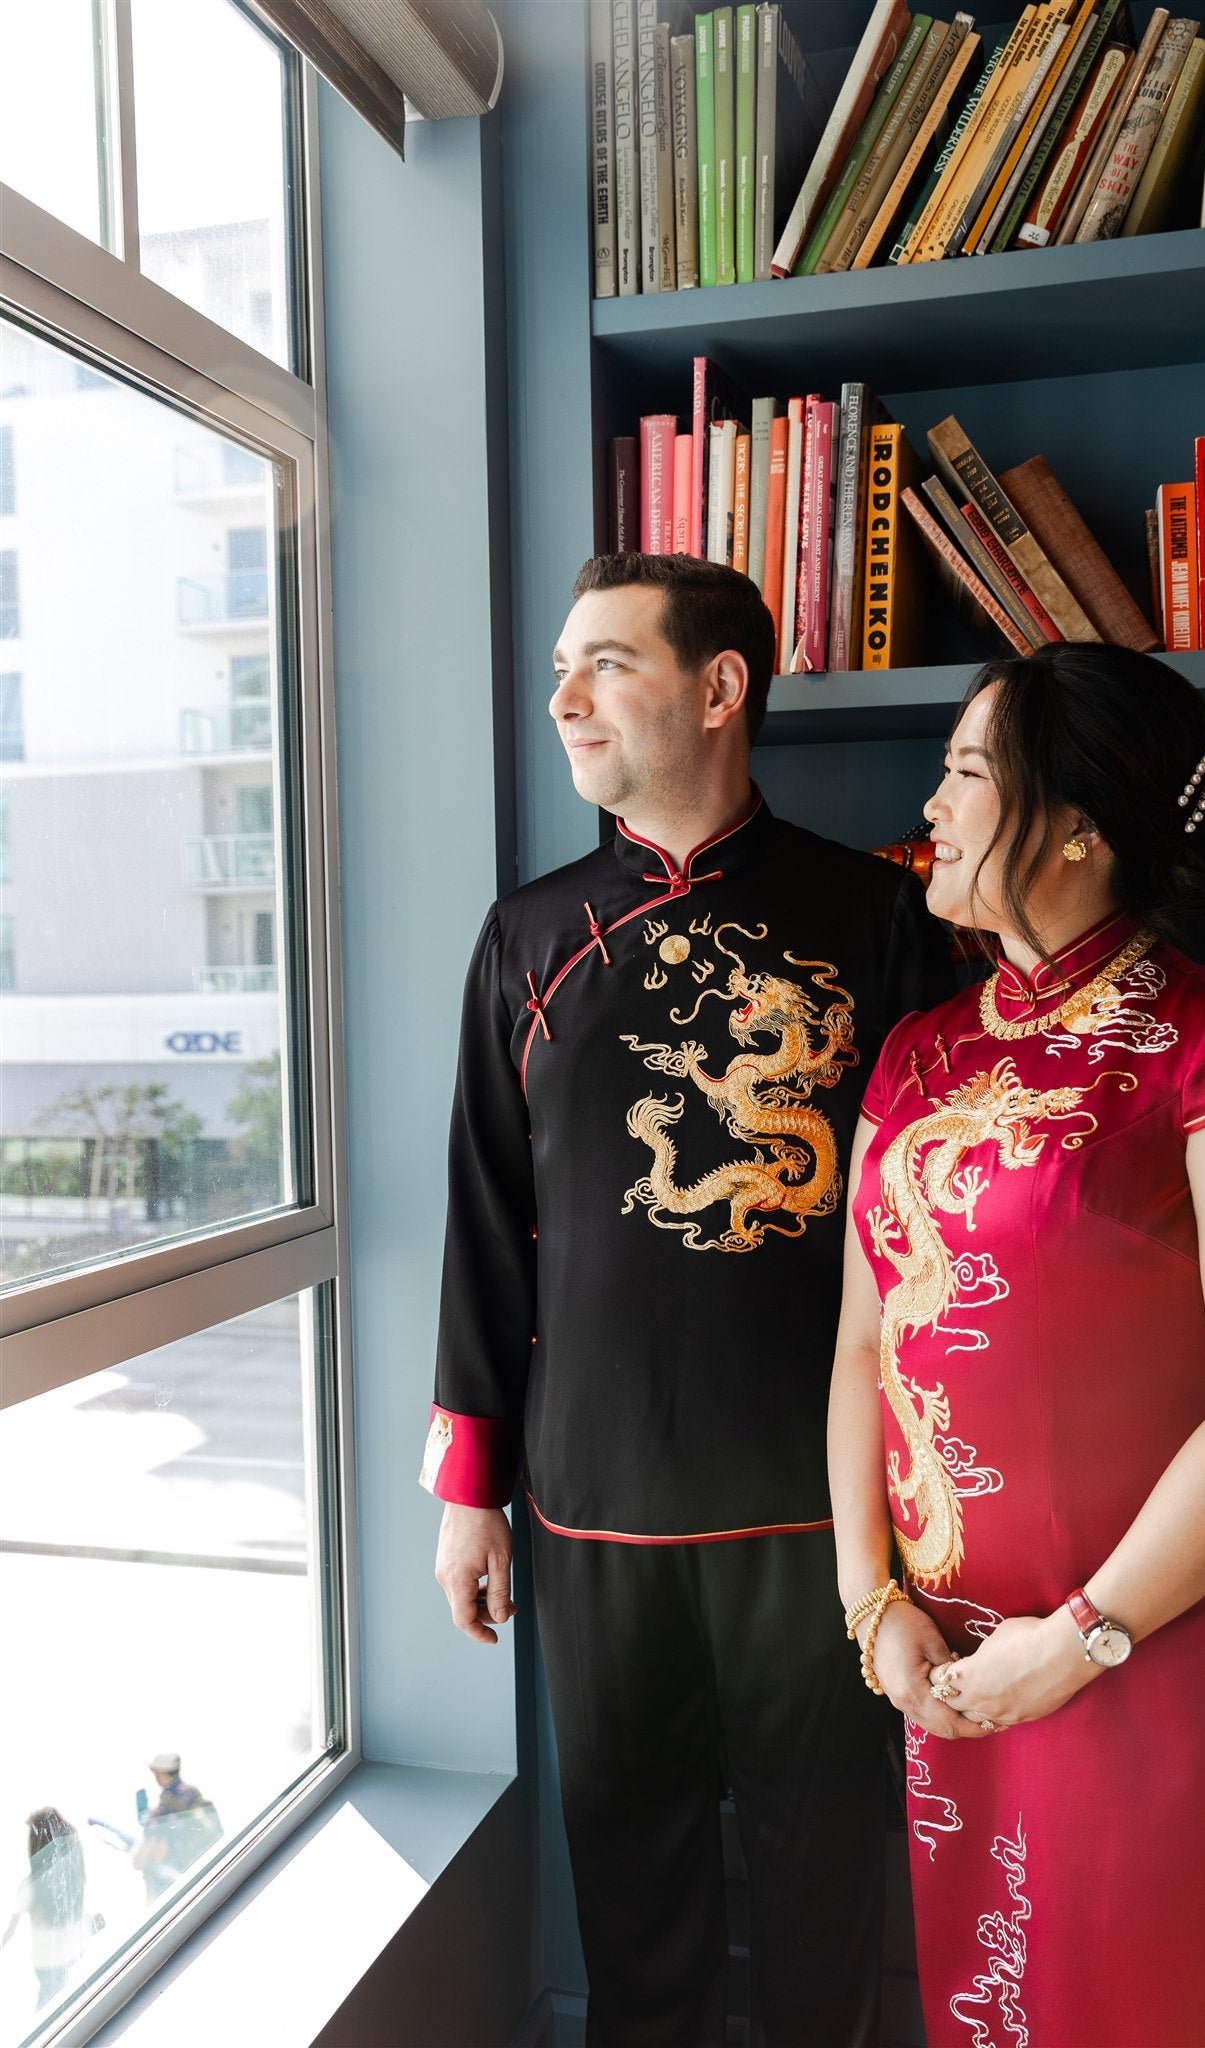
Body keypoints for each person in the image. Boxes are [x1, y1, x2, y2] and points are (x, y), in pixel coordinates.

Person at [421, 552, 954, 2045]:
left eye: (603, 664)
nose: (561, 699)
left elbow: (935, 1225)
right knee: (634, 1890)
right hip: (593, 1507)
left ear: (720, 688)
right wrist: (472, 1490)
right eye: (559, 668)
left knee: (824, 1882)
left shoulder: (876, 922)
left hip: (826, 1511)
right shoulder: (527, 935)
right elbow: (483, 1217)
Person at [829, 642, 1205, 2048]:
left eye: (965, 772)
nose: (928, 804)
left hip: (1153, 1638)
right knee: (995, 2001)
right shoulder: (918, 1053)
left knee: (1151, 1997)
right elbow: (860, 1346)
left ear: (1074, 824)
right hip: (954, 1660)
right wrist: (871, 1604)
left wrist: (1082, 1640)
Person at [1, 1809, 87, 2011]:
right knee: (63, 1997)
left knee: (47, 2004)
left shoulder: (32, 1886)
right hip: (71, 1951)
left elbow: (12, 1922)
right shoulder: (74, 1874)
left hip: (46, 1960)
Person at [131, 1753, 223, 1904]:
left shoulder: (171, 1797)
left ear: (162, 1772)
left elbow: (151, 1823)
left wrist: (142, 1810)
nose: (155, 1776)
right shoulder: (191, 1793)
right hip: (193, 1859)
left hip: (175, 1865)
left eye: (155, 1772)